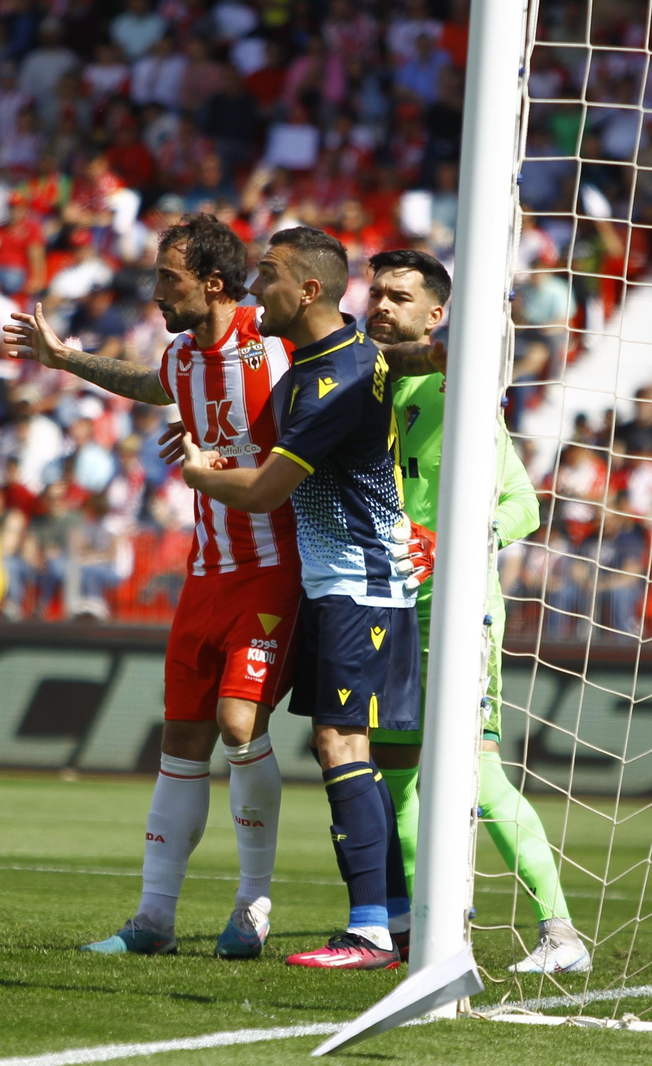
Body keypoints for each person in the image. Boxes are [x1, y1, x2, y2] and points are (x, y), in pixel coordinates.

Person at [4, 214, 299, 960]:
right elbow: (148, 381)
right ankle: (154, 919)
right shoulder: (183, 358)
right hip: (205, 572)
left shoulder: (278, 347)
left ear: (212, 282)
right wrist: (65, 359)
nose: (155, 291)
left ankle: (253, 903)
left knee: (240, 726)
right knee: (181, 740)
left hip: (274, 568)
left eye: (167, 277)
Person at [178, 227, 425, 970]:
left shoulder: (335, 379)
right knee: (352, 748)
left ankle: (370, 931)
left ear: (309, 290)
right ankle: (397, 919)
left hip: (361, 582)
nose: (256, 288)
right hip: (339, 581)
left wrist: (199, 476)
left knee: (340, 744)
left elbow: (263, 493)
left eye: (270, 276)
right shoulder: (329, 362)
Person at [362, 248, 590, 975]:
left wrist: (464, 537)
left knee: (477, 776)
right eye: (377, 294)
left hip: (455, 613)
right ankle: (419, 930)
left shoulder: (462, 397)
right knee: (394, 774)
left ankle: (561, 934)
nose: (382, 305)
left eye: (400, 296)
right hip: (380, 604)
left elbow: (522, 502)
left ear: (436, 316)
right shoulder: (364, 391)